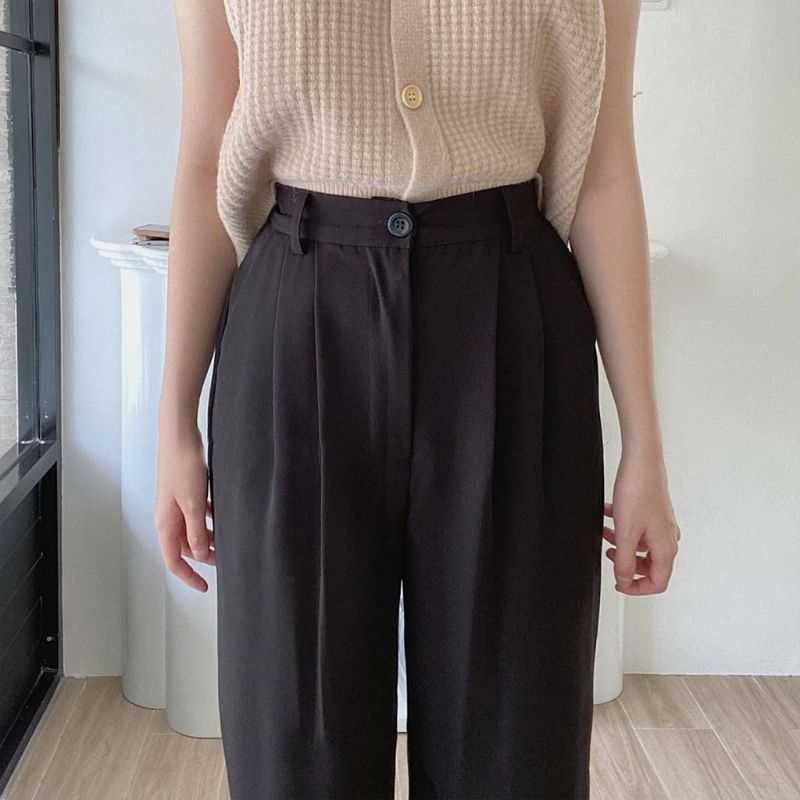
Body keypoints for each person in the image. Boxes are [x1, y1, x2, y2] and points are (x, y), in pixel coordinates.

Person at [154, 0, 681, 797]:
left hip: (508, 325)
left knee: (516, 740)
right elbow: (204, 161)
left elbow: (604, 172)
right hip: (298, 329)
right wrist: (175, 426)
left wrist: (645, 443)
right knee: (295, 740)